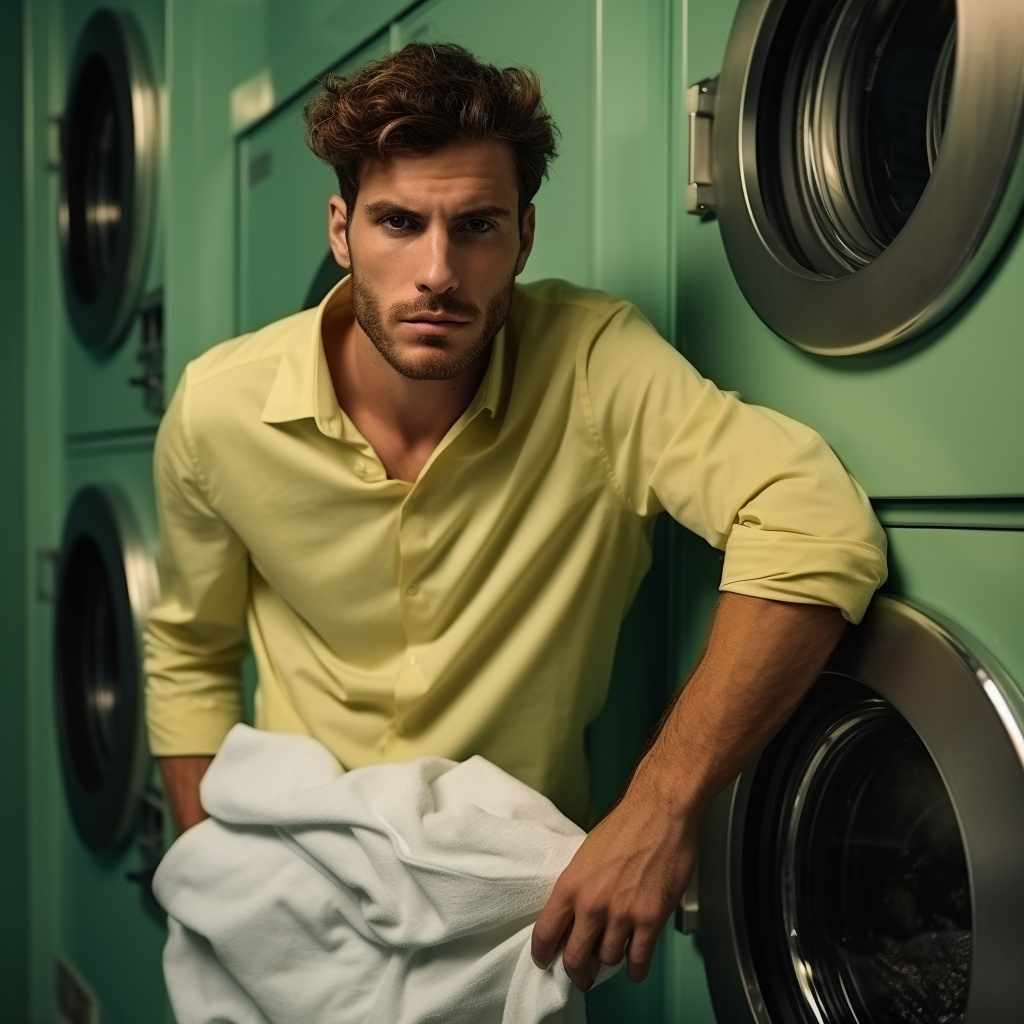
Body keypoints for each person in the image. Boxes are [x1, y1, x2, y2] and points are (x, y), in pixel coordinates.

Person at [144, 42, 887, 996]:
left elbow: (815, 520)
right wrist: (221, 875)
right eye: (399, 223)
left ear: (525, 239)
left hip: (507, 913)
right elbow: (188, 652)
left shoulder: (592, 362)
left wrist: (660, 809)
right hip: (289, 879)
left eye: (478, 227)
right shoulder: (218, 410)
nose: (438, 272)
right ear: (341, 230)